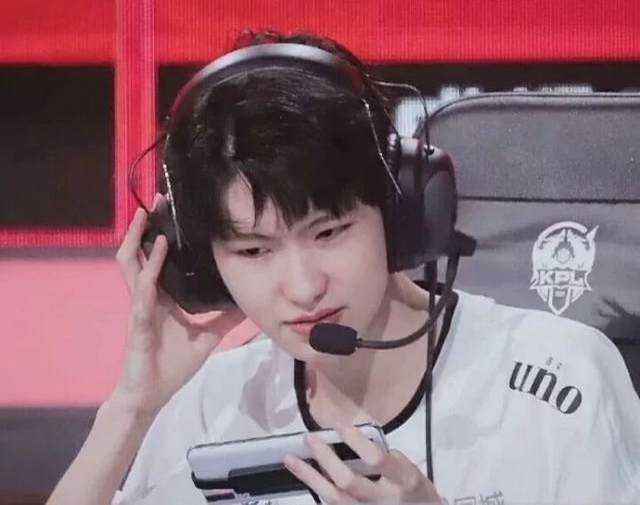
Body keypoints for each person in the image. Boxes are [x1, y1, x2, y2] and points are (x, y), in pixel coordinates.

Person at [47, 31, 640, 505]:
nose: (304, 288)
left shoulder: (562, 376)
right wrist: (131, 409)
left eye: (329, 232)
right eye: (254, 252)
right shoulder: (209, 406)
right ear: (201, 264)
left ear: (400, 210)